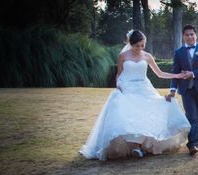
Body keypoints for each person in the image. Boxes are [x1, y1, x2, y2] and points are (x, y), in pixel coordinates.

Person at [80, 30, 191, 160]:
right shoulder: (123, 56)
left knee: (148, 112)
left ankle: (138, 146)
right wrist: (119, 86)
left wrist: (176, 75)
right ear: (130, 44)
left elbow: (159, 73)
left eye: (142, 45)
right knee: (131, 114)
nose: (139, 48)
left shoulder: (147, 56)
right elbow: (119, 74)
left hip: (144, 88)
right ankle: (135, 147)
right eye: (137, 45)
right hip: (128, 88)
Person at [166, 24, 198, 156]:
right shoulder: (178, 52)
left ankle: (197, 138)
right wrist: (172, 90)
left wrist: (192, 73)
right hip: (186, 90)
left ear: (196, 35)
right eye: (187, 34)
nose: (190, 37)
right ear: (183, 37)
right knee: (191, 115)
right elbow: (175, 72)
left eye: (192, 34)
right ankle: (191, 144)